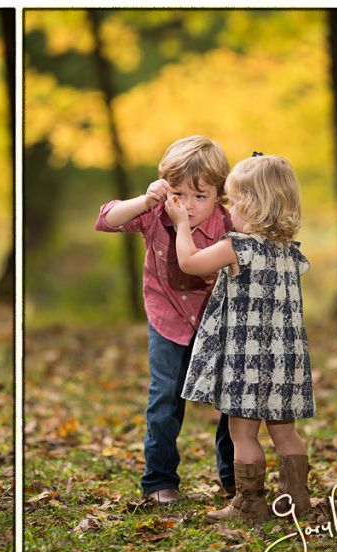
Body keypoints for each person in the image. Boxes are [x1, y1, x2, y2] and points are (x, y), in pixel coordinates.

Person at [164, 152, 314, 521]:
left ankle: (249, 504)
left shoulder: (238, 246)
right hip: (286, 362)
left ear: (250, 205)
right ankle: (298, 502)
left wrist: (182, 226)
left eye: (232, 202)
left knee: (242, 433)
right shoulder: (290, 254)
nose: (228, 211)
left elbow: (189, 264)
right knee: (286, 434)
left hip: (246, 360)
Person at [95, 135, 235, 504]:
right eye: (179, 194)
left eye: (200, 196)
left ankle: (235, 478)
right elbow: (106, 219)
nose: (187, 206)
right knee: (165, 400)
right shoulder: (156, 214)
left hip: (217, 324)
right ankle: (160, 481)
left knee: (231, 401)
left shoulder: (228, 223)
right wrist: (146, 200)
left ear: (218, 194)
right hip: (167, 319)